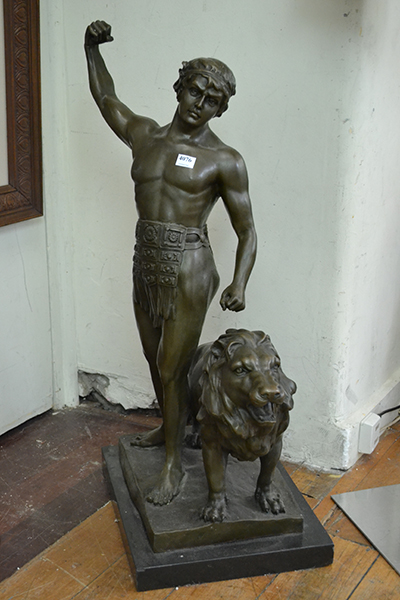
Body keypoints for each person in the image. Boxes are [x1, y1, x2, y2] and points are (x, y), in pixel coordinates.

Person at [85, 20, 257, 505]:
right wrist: (91, 49)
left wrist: (239, 282)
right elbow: (106, 98)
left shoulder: (224, 159)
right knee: (153, 357)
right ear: (179, 87)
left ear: (221, 108)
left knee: (172, 365)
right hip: (146, 257)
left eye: (212, 101)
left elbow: (247, 230)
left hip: (189, 264)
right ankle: (169, 427)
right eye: (195, 92)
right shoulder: (144, 135)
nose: (199, 104)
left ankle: (173, 465)